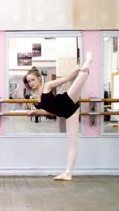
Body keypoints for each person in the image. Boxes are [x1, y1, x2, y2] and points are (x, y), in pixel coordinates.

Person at [24, 52, 92, 181]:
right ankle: (68, 173)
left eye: (33, 79)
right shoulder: (34, 97)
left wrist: (77, 69)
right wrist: (36, 112)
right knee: (73, 143)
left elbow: (66, 79)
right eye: (29, 81)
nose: (31, 83)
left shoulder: (47, 86)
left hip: (67, 100)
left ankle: (88, 60)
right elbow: (51, 111)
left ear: (39, 78)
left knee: (81, 76)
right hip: (68, 113)